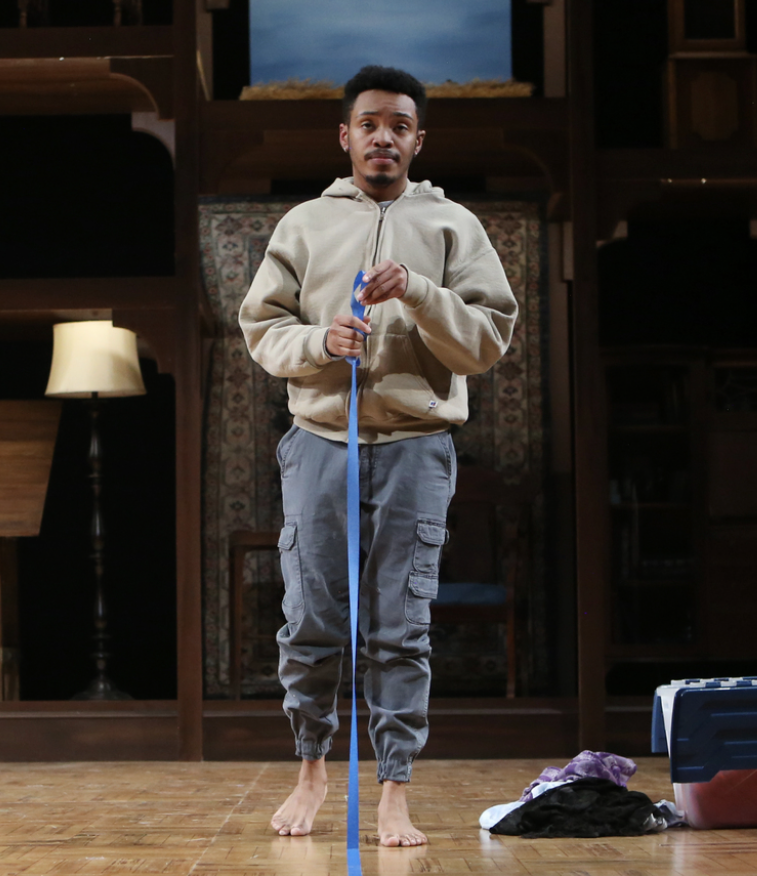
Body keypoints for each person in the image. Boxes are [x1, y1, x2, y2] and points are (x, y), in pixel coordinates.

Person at [238, 64, 518, 847]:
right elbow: (261, 329)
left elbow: (487, 341)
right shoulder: (304, 225)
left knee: (402, 624)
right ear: (346, 136)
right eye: (369, 124)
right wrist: (320, 342)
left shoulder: (454, 226)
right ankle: (311, 770)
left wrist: (420, 293)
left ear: (418, 140)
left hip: (416, 446)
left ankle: (394, 788)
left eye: (399, 125)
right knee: (310, 619)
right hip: (320, 443)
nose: (383, 138)